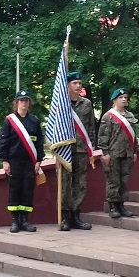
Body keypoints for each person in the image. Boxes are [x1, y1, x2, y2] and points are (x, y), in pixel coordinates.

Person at [0, 91, 45, 233]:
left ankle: (25, 220)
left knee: (27, 189)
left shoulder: (34, 121)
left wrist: (39, 160)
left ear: (29, 103)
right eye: (21, 100)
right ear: (16, 103)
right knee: (14, 189)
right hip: (14, 161)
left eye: (26, 100)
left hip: (30, 162)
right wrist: (4, 160)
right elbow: (3, 141)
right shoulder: (9, 121)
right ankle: (14, 221)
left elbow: (39, 142)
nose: (24, 103)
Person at [96, 87, 139, 218]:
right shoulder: (108, 116)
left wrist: (135, 150)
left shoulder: (130, 116)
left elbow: (134, 135)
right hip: (113, 153)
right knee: (113, 180)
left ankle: (121, 205)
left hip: (127, 153)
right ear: (114, 100)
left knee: (124, 180)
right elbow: (103, 136)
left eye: (125, 97)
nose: (124, 99)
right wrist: (105, 153)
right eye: (121, 97)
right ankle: (113, 206)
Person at [61, 71, 94, 231]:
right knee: (65, 185)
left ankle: (76, 216)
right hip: (64, 150)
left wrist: (91, 148)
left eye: (80, 83)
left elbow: (90, 127)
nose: (78, 86)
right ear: (68, 85)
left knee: (80, 184)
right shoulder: (61, 103)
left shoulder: (86, 104)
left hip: (81, 149)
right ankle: (65, 217)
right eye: (75, 83)